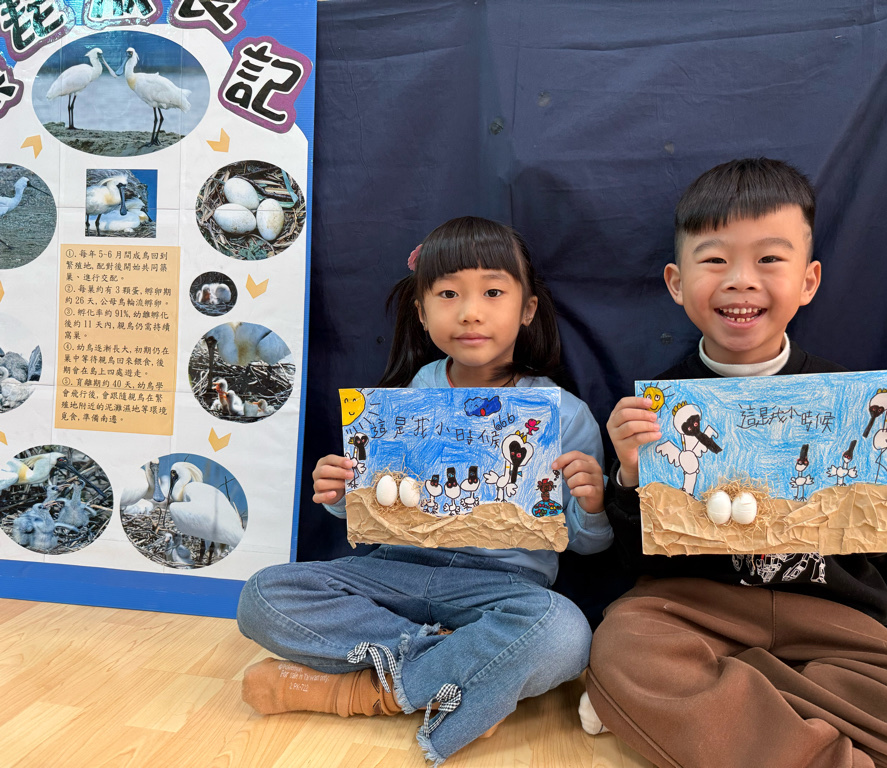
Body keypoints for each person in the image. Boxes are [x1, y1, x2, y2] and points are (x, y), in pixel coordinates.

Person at [581, 158, 887, 768]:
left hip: (830, 618)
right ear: (676, 283)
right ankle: (800, 726)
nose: (741, 281)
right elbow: (636, 558)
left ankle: (742, 693)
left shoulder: (859, 403)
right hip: (693, 611)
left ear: (809, 281)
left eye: (769, 259)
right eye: (715, 260)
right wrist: (630, 477)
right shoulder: (657, 411)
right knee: (623, 648)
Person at [236, 216, 613, 765]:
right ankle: (460, 673)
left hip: (502, 590)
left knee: (564, 634)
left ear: (527, 309)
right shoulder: (404, 398)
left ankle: (365, 694)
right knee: (263, 594)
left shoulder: (565, 414)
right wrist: (341, 493)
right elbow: (378, 507)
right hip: (394, 574)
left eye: (492, 292)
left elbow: (588, 544)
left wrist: (594, 505)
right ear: (421, 310)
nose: (470, 312)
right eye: (448, 294)